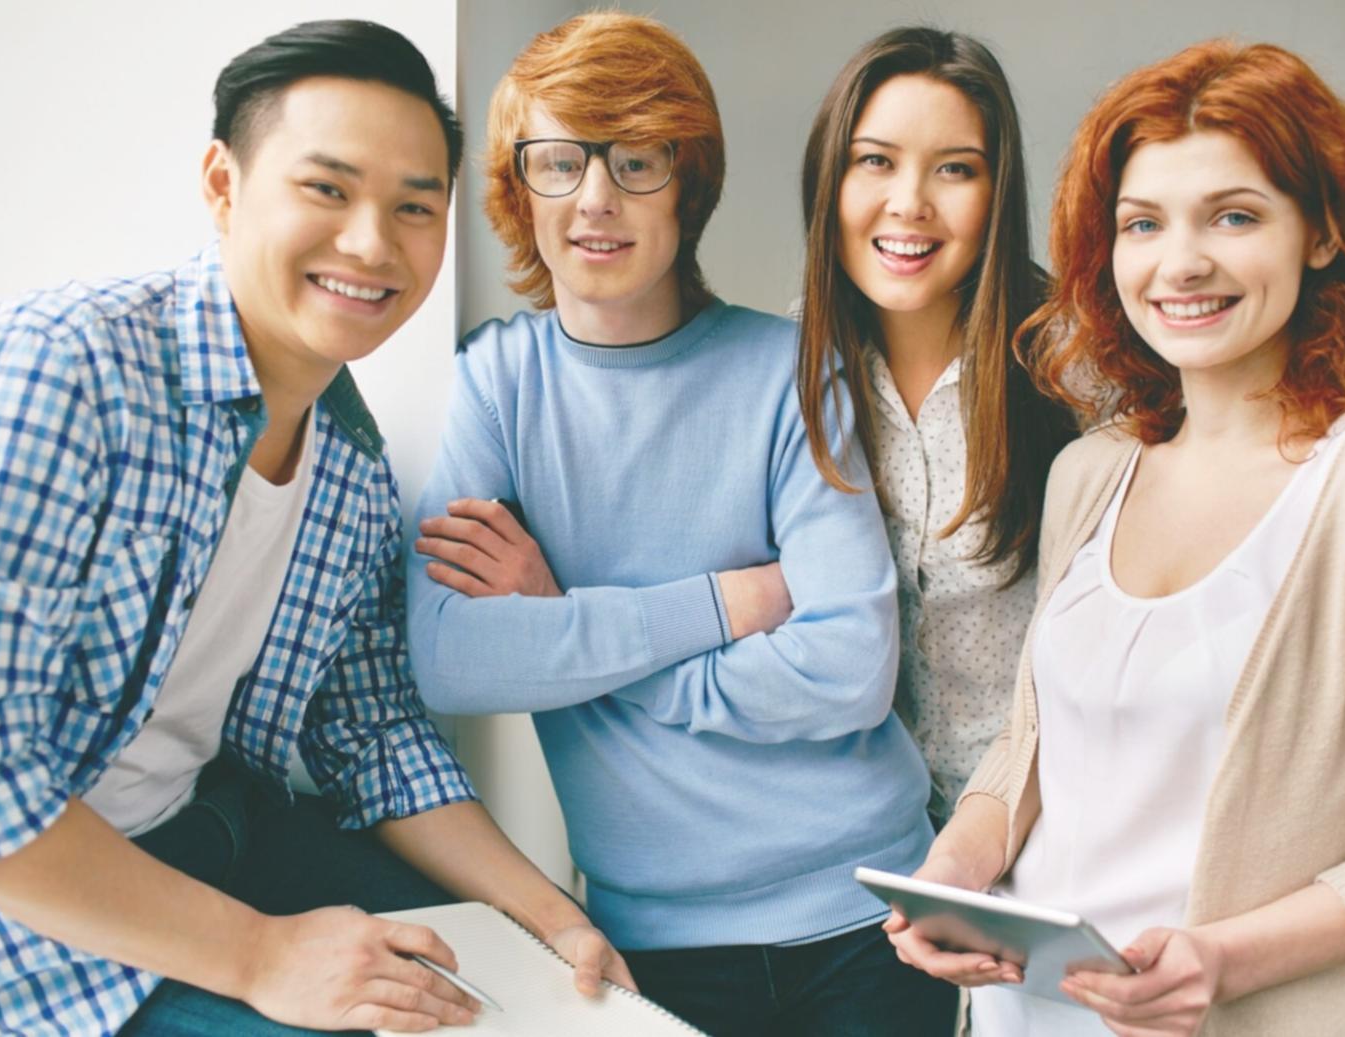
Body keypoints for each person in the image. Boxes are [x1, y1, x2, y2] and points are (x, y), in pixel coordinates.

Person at [0, 20, 624, 1037]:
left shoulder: (350, 464)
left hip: (207, 832)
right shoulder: (57, 374)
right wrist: (260, 955)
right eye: (327, 188)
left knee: (542, 1003)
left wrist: (545, 911)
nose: (370, 243)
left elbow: (372, 733)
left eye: (413, 207)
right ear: (223, 183)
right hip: (13, 905)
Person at [887, 39, 1345, 1036]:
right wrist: (954, 869)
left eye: (1234, 215)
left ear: (1318, 234)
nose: (1181, 262)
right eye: (1142, 223)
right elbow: (1033, 747)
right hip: (1022, 1015)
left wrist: (1220, 959)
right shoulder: (1091, 471)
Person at [406, 12, 955, 1036]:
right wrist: (726, 600)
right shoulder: (494, 385)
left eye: (637, 161)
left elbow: (847, 666)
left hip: (864, 917)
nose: (597, 198)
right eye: (560, 161)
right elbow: (453, 659)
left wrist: (564, 620)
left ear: (688, 183)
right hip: (640, 947)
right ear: (516, 187)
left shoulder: (789, 373)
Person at [796, 27, 1075, 826]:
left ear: (997, 193)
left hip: (1055, 828)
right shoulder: (789, 374)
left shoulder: (1078, 366)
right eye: (874, 160)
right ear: (829, 179)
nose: (909, 202)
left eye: (955, 169)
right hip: (865, 845)